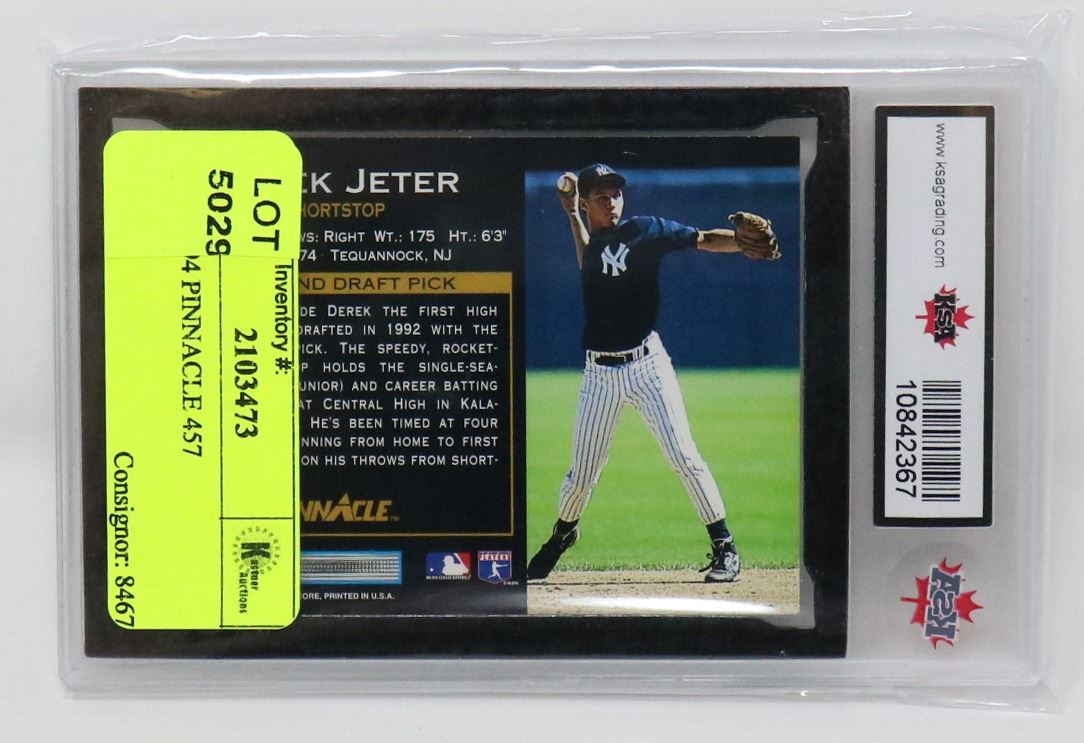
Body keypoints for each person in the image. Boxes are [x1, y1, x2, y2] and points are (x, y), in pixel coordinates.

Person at [526, 163, 778, 583]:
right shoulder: (593, 244)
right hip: (600, 375)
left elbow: (702, 238)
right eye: (601, 196)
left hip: (647, 366)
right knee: (581, 476)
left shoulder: (645, 230)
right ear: (587, 203)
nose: (612, 201)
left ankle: (725, 546)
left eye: (616, 193)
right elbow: (590, 261)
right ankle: (563, 534)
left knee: (683, 455)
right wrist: (570, 213)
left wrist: (738, 242)